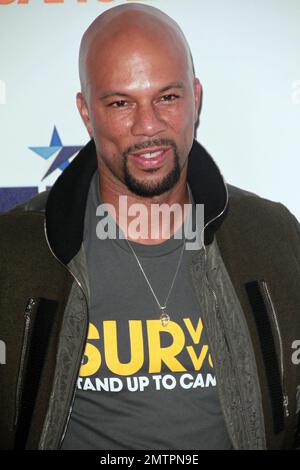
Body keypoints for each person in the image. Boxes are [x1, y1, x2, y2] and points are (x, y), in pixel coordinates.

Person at [0, 3, 299, 451]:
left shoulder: (272, 235)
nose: (148, 126)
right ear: (86, 113)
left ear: (196, 97)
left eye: (167, 97)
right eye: (121, 102)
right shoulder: (14, 249)